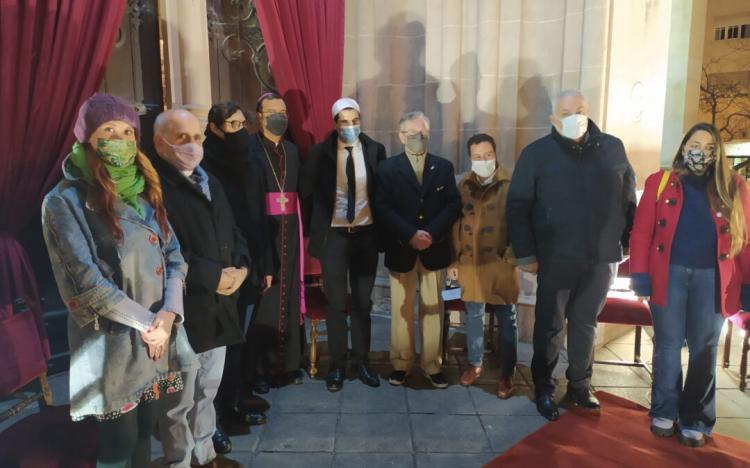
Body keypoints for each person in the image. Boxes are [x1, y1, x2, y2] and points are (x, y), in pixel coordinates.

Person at [41, 93, 196, 467]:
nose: (121, 139)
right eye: (109, 130)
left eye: (128, 131)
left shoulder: (143, 190)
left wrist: (169, 315)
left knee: (145, 430)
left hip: (156, 336)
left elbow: (174, 257)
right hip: (113, 340)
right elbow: (86, 281)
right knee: (119, 444)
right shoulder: (65, 201)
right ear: (87, 137)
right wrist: (149, 324)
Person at [506, 90, 636, 421]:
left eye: (580, 109)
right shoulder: (536, 154)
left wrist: (626, 243)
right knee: (549, 325)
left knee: (585, 324)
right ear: (553, 118)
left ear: (589, 111)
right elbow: (518, 206)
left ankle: (580, 384)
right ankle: (544, 386)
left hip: (600, 257)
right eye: (566, 111)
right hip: (555, 256)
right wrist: (526, 255)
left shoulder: (612, 147)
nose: (574, 116)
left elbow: (628, 199)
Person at [630, 122, 750, 447]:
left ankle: (696, 417)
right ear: (684, 148)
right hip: (667, 274)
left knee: (704, 349)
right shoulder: (660, 182)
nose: (699, 150)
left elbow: (746, 239)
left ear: (717, 151)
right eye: (693, 144)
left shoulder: (734, 186)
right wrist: (639, 275)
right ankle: (664, 411)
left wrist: (748, 284)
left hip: (714, 279)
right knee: (668, 346)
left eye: (708, 145)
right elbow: (641, 232)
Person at [152, 109, 248, 468]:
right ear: (160, 143)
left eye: (197, 137)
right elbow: (163, 250)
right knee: (179, 398)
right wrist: (213, 277)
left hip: (220, 303)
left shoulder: (211, 180)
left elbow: (232, 229)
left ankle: (205, 455)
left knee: (208, 388)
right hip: (183, 308)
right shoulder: (155, 188)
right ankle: (179, 460)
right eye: (182, 138)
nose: (193, 145)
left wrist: (241, 266)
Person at [302, 98, 387, 392]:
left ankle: (362, 361)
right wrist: (317, 232)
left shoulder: (375, 150)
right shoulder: (318, 154)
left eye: (355, 120)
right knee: (336, 303)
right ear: (335, 124)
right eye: (344, 121)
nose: (350, 126)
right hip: (334, 237)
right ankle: (336, 364)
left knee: (363, 303)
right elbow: (308, 194)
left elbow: (382, 193)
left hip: (365, 235)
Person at [374, 111, 461, 388]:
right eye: (412, 134)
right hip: (402, 247)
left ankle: (431, 364)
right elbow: (382, 207)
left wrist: (431, 233)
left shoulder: (444, 167)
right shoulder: (387, 169)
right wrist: (410, 234)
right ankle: (401, 364)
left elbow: (452, 205)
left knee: (433, 309)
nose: (418, 139)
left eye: (422, 134)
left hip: (434, 249)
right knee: (400, 310)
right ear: (401, 136)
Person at [202, 101, 268, 448]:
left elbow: (260, 215)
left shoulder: (252, 160)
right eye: (232, 124)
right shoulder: (203, 163)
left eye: (243, 123)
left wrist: (263, 265)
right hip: (219, 268)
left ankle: (234, 403)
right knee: (218, 347)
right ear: (214, 128)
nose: (240, 130)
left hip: (249, 261)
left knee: (239, 340)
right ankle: (212, 417)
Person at [447, 133, 519, 398]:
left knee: (507, 319)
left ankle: (506, 373)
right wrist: (454, 260)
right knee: (473, 315)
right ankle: (475, 364)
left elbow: (520, 224)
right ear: (470, 158)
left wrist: (510, 258)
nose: (483, 160)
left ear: (496, 153)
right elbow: (454, 225)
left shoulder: (512, 183)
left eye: (488, 155)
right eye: (477, 157)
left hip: (500, 264)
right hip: (470, 264)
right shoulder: (462, 184)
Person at [243, 92, 305, 391]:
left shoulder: (293, 150)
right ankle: (261, 371)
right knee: (267, 300)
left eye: (283, 111)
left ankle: (289, 365)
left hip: (290, 230)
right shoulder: (249, 148)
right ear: (259, 116)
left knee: (289, 296)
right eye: (272, 112)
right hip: (262, 229)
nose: (279, 116)